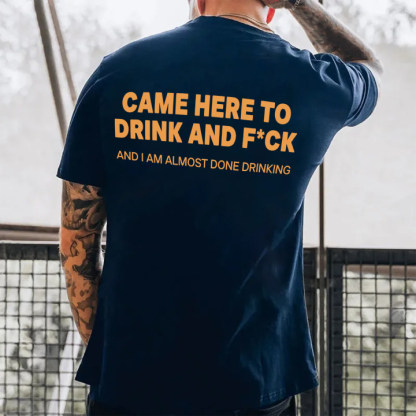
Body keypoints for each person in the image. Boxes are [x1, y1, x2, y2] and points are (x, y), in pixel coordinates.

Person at [57, 0, 382, 415]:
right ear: (272, 7)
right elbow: (368, 67)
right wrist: (300, 4)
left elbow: (78, 238)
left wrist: (108, 349)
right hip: (254, 382)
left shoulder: (119, 71)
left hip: (131, 379)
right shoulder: (314, 83)